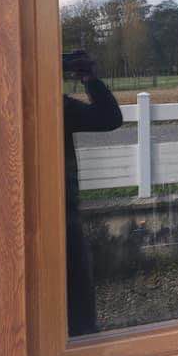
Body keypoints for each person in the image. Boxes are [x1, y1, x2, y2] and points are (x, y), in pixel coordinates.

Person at [63, 52, 122, 336]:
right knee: (76, 280)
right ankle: (82, 343)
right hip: (61, 208)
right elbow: (110, 117)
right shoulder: (55, 106)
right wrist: (89, 79)